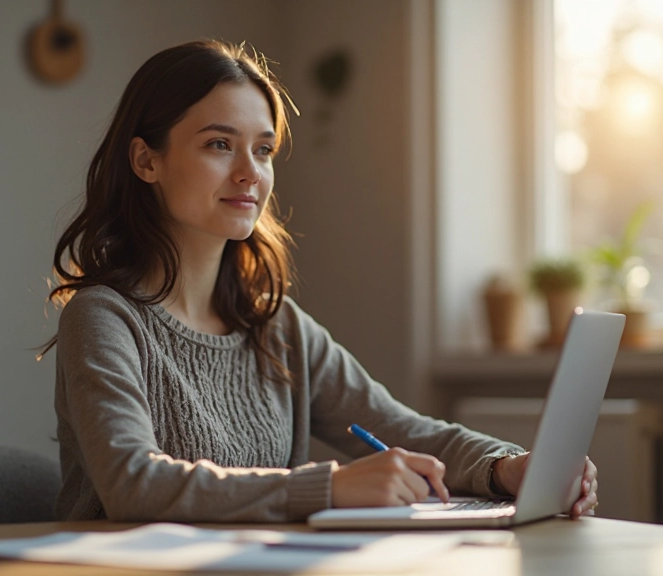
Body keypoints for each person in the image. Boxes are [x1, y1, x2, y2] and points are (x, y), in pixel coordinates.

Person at [41, 39, 598, 523]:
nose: (249, 173)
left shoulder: (275, 326)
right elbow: (133, 484)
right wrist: (329, 488)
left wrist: (506, 468)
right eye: (218, 144)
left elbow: (403, 429)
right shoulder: (103, 317)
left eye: (262, 150)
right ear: (146, 161)